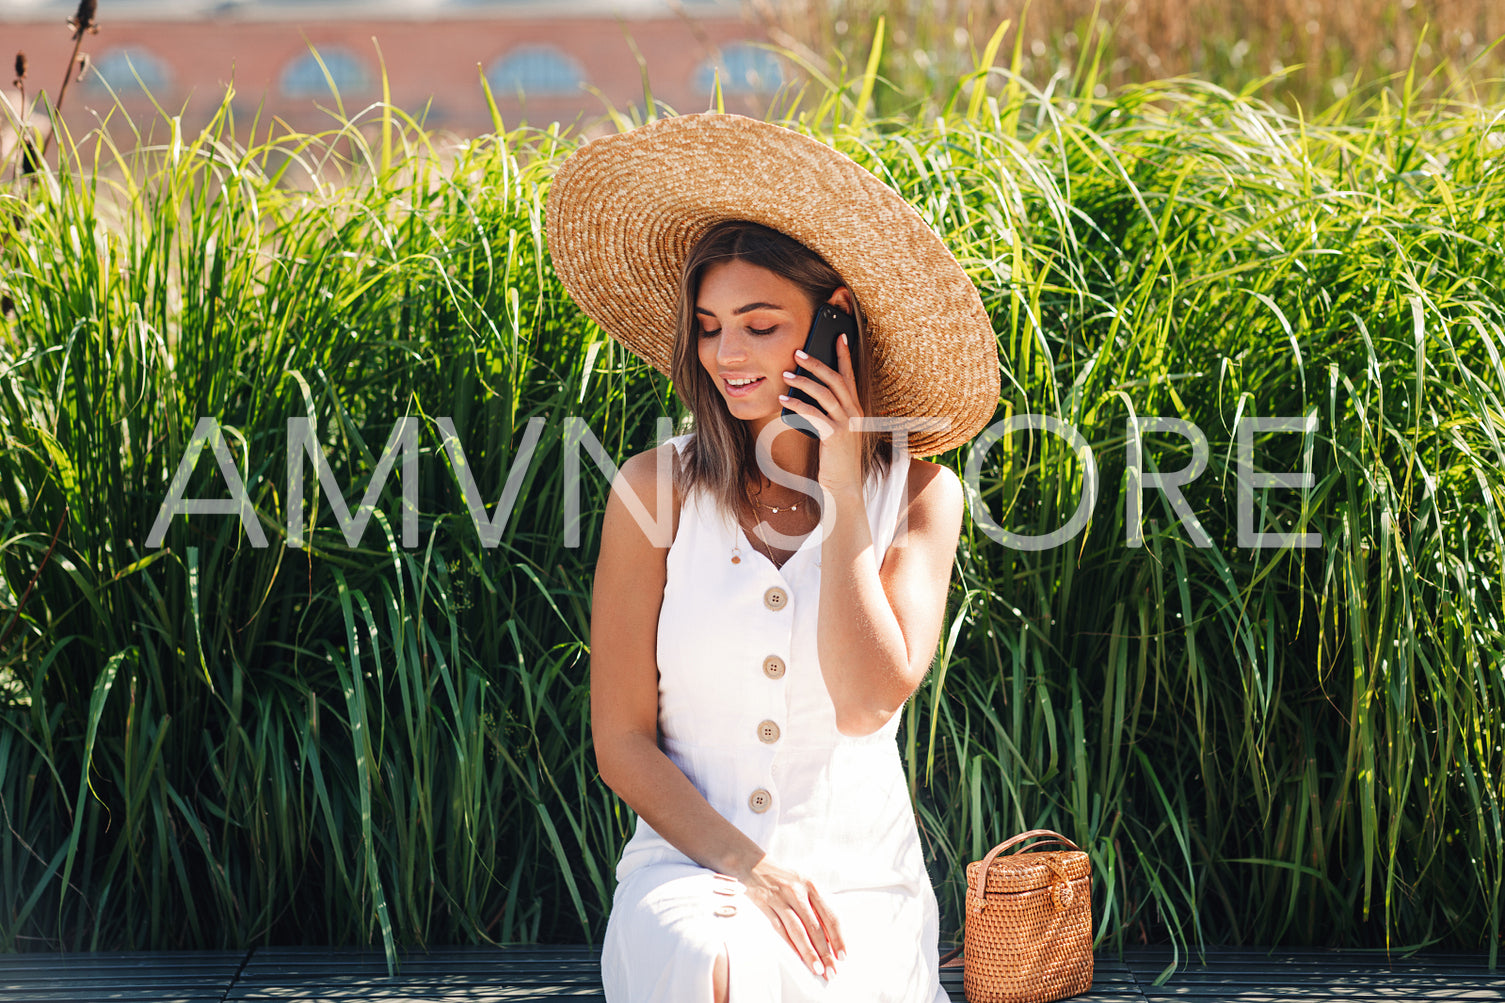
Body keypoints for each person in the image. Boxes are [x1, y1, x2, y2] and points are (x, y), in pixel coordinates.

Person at [545, 113, 1000, 1003]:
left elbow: (868, 700)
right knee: (717, 963)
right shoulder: (653, 490)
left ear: (838, 327)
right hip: (689, 864)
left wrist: (839, 473)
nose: (727, 354)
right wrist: (748, 868)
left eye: (759, 324)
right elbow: (621, 743)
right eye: (711, 327)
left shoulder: (917, 494)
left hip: (856, 880)